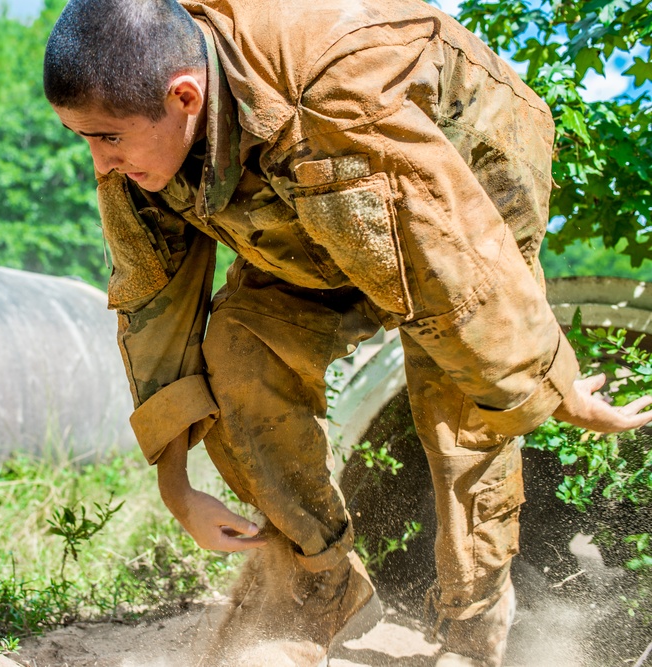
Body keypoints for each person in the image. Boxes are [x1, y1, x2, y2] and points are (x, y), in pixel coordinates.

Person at [43, 1, 652, 665]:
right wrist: (175, 480)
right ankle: (321, 586)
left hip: (468, 162)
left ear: (184, 96)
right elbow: (154, 297)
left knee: (460, 393)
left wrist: (552, 380)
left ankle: (474, 629)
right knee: (240, 347)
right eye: (84, 140)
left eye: (105, 139)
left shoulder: (332, 97)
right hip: (311, 197)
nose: (99, 164)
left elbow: (447, 262)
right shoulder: (140, 128)